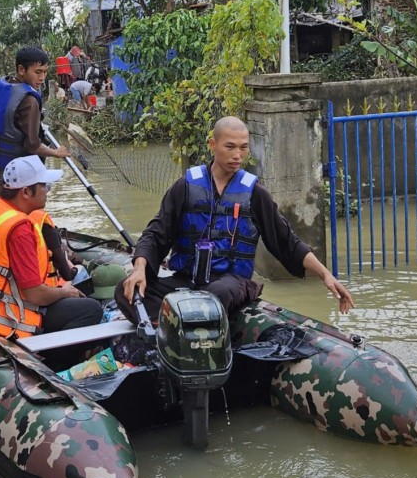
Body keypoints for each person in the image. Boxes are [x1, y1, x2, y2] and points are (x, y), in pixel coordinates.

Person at [115, 116, 353, 324]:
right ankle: (166, 329)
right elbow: (157, 233)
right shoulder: (185, 187)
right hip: (187, 281)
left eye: (243, 148)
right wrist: (140, 269)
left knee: (216, 294)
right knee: (123, 291)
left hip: (230, 283)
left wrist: (326, 275)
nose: (237, 155)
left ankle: (185, 324)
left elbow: (287, 241)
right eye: (230, 147)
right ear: (213, 145)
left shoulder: (255, 193)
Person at [0, 156, 102, 369]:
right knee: (91, 309)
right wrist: (65, 291)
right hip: (2, 320)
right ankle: (54, 367)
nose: (47, 191)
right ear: (25, 192)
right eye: (44, 185)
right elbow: (35, 294)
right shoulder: (20, 230)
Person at [0, 46, 70, 198]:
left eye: (45, 72)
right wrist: (56, 153)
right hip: (11, 181)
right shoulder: (29, 100)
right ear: (21, 70)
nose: (42, 78)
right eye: (37, 72)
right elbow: (32, 145)